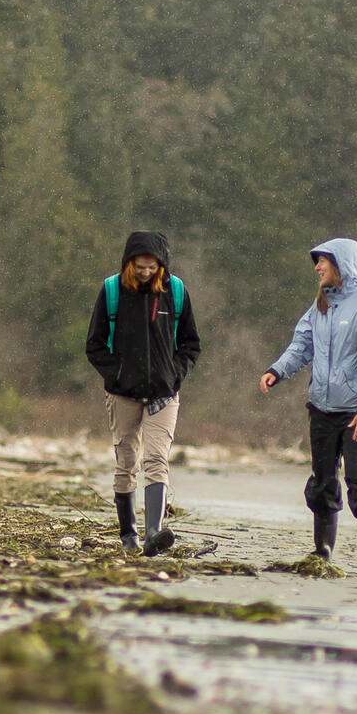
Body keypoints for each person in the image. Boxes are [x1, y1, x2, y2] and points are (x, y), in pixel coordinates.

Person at [259, 238, 357, 576]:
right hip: (321, 407)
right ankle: (323, 551)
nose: (317, 267)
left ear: (342, 264)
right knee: (322, 481)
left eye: (323, 261)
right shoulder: (320, 304)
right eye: (317, 261)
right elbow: (301, 345)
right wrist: (277, 370)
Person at [85, 230, 202, 555]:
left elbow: (191, 344)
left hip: (165, 394)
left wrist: (175, 374)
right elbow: (94, 345)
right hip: (123, 394)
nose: (146, 272)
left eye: (152, 267)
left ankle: (153, 533)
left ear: (161, 265)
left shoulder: (175, 292)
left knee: (156, 459)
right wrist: (117, 375)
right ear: (129, 263)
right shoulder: (111, 291)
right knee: (127, 462)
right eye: (140, 267)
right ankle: (128, 535)